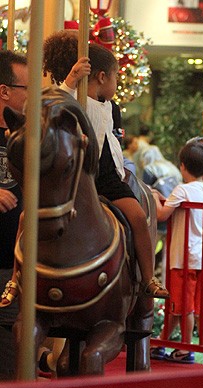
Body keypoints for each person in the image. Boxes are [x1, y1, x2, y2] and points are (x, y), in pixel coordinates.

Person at [40, 30, 168, 300]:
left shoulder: (112, 107)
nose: (117, 83)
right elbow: (55, 105)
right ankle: (19, 278)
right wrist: (72, 80)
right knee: (36, 214)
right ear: (102, 77)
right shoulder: (75, 99)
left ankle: (147, 277)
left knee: (136, 216)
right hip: (77, 177)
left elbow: (112, 141)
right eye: (116, 77)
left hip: (107, 177)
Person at [152, 137, 203, 364]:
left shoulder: (182, 190)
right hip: (200, 256)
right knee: (183, 304)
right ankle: (163, 341)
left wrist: (155, 197)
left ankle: (185, 348)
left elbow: (161, 215)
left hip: (181, 257)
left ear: (182, 166)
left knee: (182, 305)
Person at [0, 50, 28, 388]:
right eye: (25, 87)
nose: (29, 95)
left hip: (12, 263)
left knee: (7, 355)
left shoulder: (23, 136)